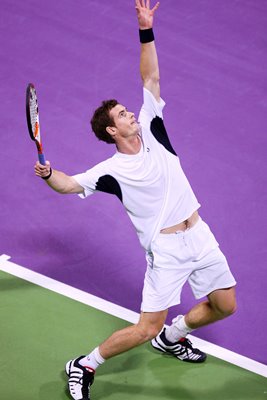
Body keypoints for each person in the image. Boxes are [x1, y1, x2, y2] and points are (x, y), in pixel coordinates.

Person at [34, 1, 237, 399]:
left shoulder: (153, 126)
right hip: (165, 250)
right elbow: (69, 185)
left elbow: (151, 75)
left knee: (225, 305)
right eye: (124, 114)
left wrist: (146, 29)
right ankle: (85, 363)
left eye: (129, 111)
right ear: (112, 130)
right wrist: (47, 174)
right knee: (146, 327)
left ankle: (174, 337)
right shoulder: (110, 172)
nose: (131, 114)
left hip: (200, 234)